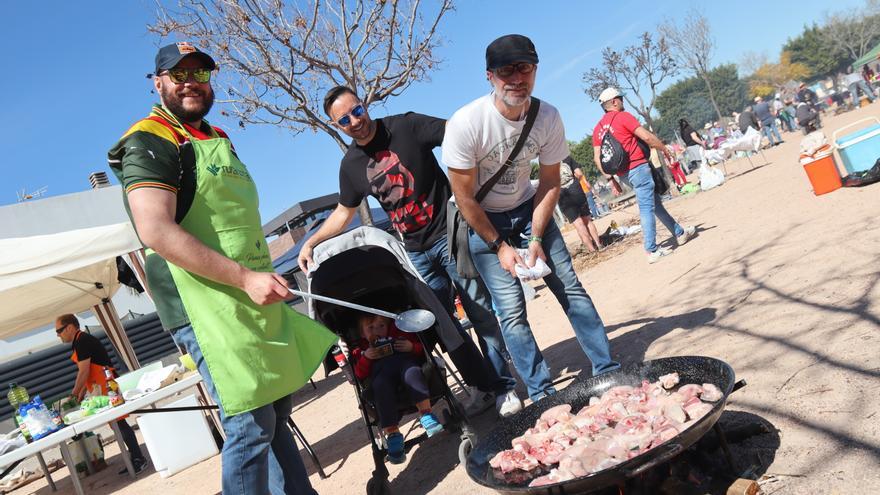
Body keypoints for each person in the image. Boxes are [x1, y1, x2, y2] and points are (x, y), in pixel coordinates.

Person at [107, 42, 337, 494]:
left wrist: (257, 276)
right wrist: (243, 277)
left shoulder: (216, 137)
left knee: (274, 409)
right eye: (179, 74)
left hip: (250, 293)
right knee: (249, 422)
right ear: (158, 83)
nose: (191, 81)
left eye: (201, 73)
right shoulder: (149, 138)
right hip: (204, 301)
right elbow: (154, 228)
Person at [298, 86, 521, 417]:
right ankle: (483, 386)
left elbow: (458, 137)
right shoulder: (351, 166)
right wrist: (310, 241)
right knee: (440, 326)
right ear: (336, 126)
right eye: (344, 120)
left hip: (451, 235)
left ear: (364, 105)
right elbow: (344, 212)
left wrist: (473, 187)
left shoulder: (405, 126)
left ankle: (504, 387)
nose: (354, 121)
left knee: (479, 311)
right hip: (414, 253)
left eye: (356, 111)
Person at [443, 34, 620, 402]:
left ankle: (607, 369)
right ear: (490, 76)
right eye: (506, 70)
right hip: (484, 221)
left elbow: (551, 181)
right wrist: (500, 247)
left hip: (529, 209)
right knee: (510, 311)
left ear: (535, 70)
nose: (516, 78)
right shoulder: (465, 124)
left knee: (569, 287)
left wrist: (536, 238)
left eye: (524, 68)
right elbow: (463, 198)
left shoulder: (548, 116)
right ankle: (541, 394)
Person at [592, 87, 697, 264]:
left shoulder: (598, 129)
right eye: (621, 99)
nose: (623, 103)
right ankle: (651, 249)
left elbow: (597, 159)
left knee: (654, 204)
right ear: (615, 102)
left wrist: (611, 180)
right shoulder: (623, 117)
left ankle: (679, 232)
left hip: (623, 174)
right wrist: (664, 148)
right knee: (647, 208)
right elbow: (647, 137)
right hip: (638, 167)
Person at [55, 314, 148, 475]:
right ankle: (134, 457)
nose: (58, 335)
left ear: (70, 327)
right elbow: (88, 371)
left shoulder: (82, 341)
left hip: (107, 384)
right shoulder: (79, 341)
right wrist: (82, 393)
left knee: (119, 424)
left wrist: (74, 394)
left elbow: (84, 371)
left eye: (59, 330)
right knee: (116, 425)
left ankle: (139, 458)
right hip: (101, 386)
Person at [350, 314, 443, 464]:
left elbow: (421, 350)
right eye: (371, 328)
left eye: (382, 326)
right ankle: (392, 433)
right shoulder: (361, 349)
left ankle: (426, 414)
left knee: (413, 372)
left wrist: (411, 347)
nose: (377, 331)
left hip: (404, 363)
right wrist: (366, 357)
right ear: (362, 333)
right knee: (380, 387)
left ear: (388, 326)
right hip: (382, 374)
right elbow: (359, 374)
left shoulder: (399, 336)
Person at [559, 157, 602, 252]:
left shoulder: (546, 164)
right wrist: (584, 182)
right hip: (576, 191)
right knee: (588, 221)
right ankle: (599, 244)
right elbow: (579, 173)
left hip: (562, 196)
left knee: (579, 225)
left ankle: (592, 250)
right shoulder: (566, 158)